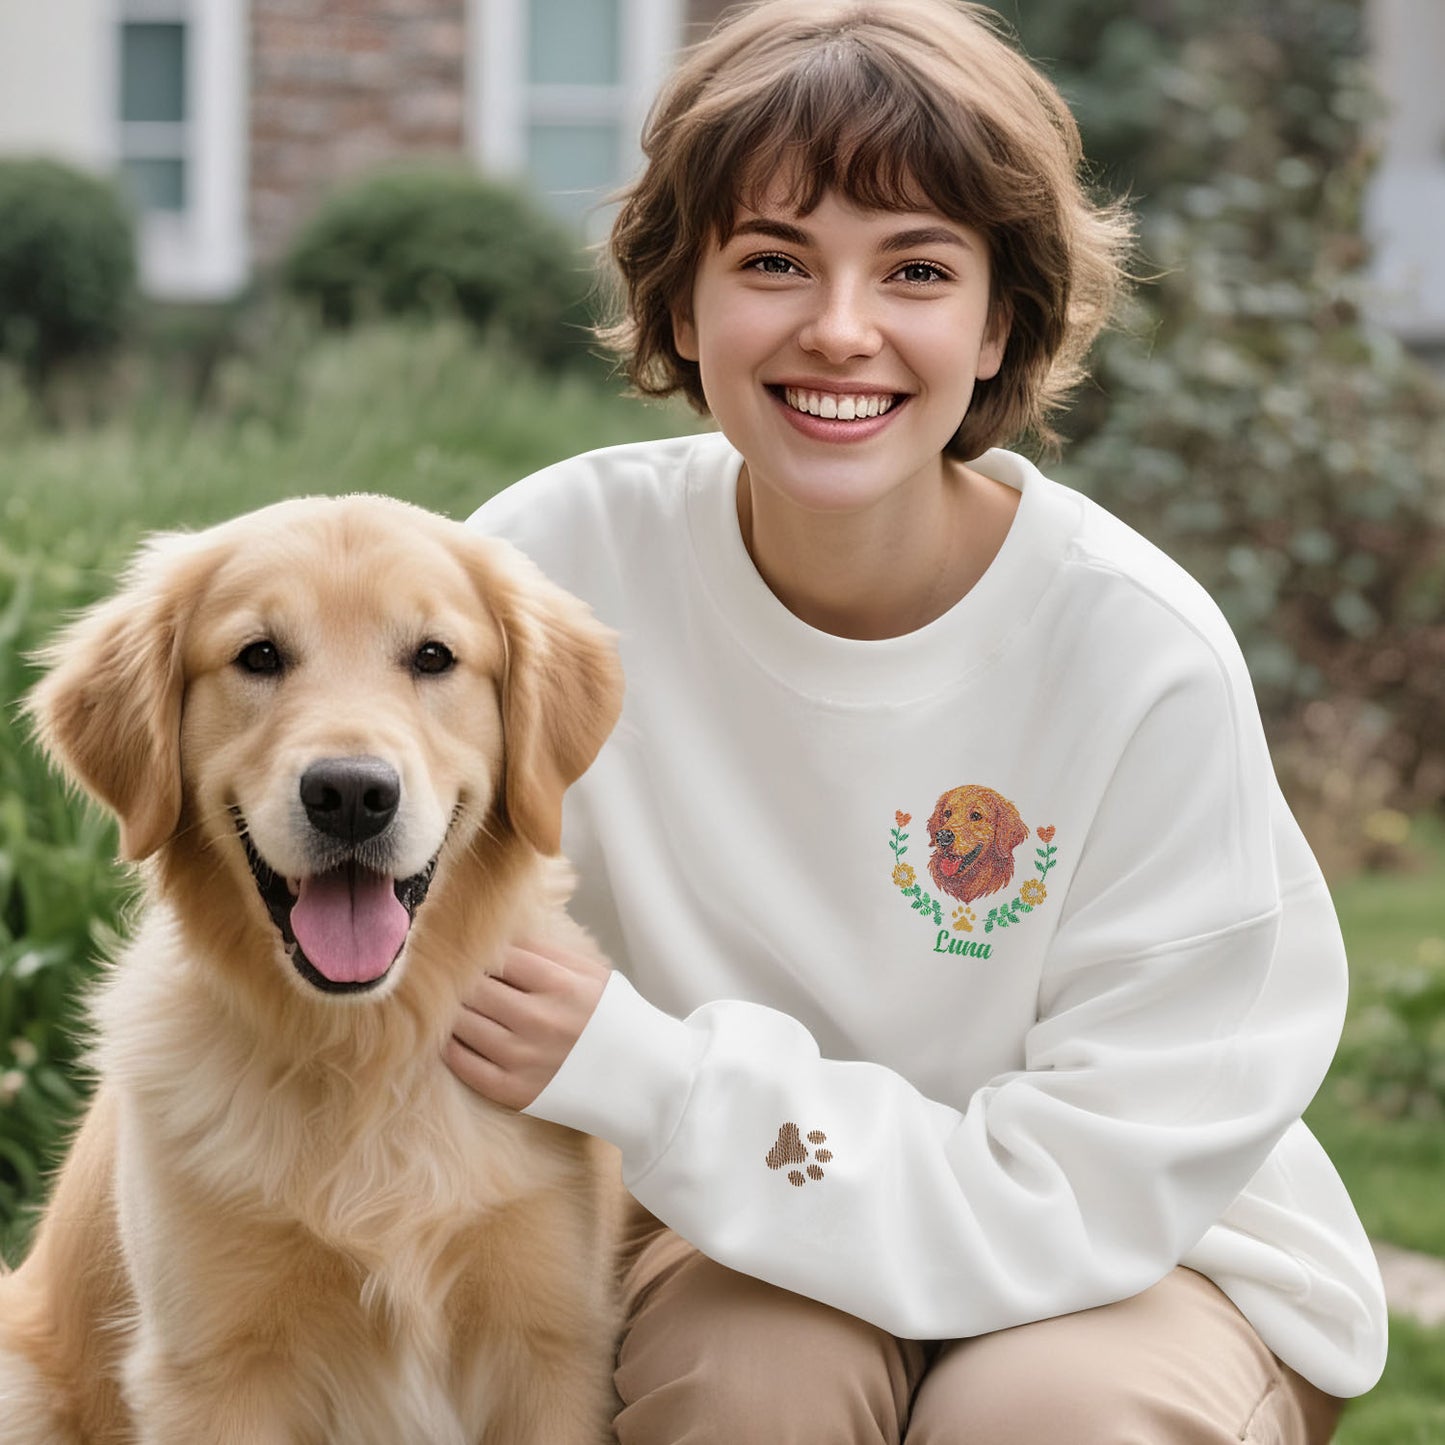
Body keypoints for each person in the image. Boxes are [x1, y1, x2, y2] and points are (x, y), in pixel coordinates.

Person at [445, 1, 1389, 1439]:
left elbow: (1089, 1187)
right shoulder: (544, 573)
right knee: (749, 1387)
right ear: (681, 303)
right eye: (773, 261)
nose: (841, 330)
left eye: (917, 270)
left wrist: (651, 1073)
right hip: (725, 1217)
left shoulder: (1137, 652)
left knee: (1041, 1417)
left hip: (1137, 1251)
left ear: (998, 320)